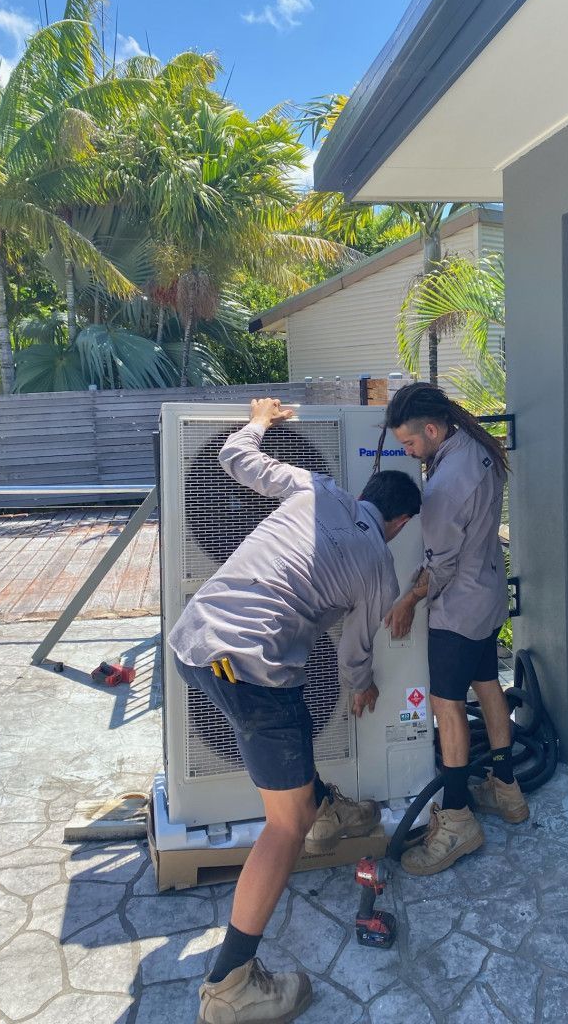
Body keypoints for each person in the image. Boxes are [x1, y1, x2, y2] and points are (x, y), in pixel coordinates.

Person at [168, 397, 421, 1023]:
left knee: (294, 725)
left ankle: (325, 807)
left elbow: (232, 456)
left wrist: (258, 418)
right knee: (285, 824)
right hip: (252, 669)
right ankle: (230, 987)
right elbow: (358, 649)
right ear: (400, 522)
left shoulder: (316, 487)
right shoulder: (379, 567)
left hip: (195, 637)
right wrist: (361, 687)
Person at [383, 382, 528, 877]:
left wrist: (409, 598)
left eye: (408, 444)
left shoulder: (444, 486)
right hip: (487, 595)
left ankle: (458, 819)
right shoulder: (476, 448)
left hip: (459, 608)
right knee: (488, 685)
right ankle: (506, 789)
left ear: (429, 429)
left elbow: (440, 564)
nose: (408, 452)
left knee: (446, 707)